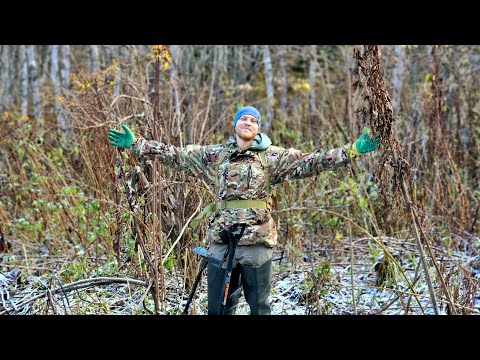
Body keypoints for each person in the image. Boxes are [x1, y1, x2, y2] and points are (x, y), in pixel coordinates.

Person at [108, 105, 379, 315]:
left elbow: (315, 161)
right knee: (218, 308)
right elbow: (174, 155)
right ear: (235, 124)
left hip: (256, 245)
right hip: (221, 242)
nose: (248, 122)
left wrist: (354, 150)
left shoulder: (273, 156)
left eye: (253, 120)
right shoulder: (215, 155)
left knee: (259, 307)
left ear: (258, 127)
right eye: (243, 118)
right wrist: (136, 145)